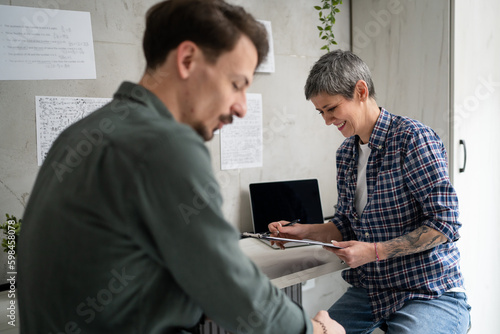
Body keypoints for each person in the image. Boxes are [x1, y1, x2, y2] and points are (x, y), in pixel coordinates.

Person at [17, 1, 345, 333]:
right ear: (187, 60)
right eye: (236, 84)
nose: (242, 107)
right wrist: (316, 331)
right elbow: (231, 287)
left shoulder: (80, 134)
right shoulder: (163, 143)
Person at [268, 50, 471, 334]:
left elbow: (445, 224)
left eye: (331, 109)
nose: (327, 121)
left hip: (429, 291)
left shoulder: (412, 139)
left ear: (360, 91)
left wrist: (374, 251)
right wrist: (301, 232)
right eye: (321, 113)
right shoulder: (346, 154)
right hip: (372, 293)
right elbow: (346, 225)